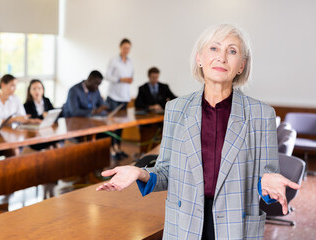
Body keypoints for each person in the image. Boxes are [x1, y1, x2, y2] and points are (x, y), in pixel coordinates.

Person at [97, 24, 300, 239]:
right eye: (214, 48)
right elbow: (167, 171)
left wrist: (267, 185)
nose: (221, 57)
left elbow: (267, 177)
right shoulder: (176, 109)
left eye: (232, 51)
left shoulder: (261, 114)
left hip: (237, 225)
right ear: (199, 58)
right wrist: (140, 172)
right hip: (185, 222)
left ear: (241, 65)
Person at [105, 38, 133, 159]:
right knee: (113, 125)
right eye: (124, 48)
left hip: (124, 97)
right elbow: (107, 76)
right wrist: (120, 79)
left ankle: (118, 147)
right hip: (114, 96)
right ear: (120, 47)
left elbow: (131, 76)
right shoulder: (114, 60)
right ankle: (111, 148)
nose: (126, 50)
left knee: (121, 125)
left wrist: (128, 80)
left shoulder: (130, 62)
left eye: (128, 48)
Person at [24, 79, 60, 151]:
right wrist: (42, 116)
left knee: (57, 144)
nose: (37, 91)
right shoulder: (27, 105)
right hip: (35, 135)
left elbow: (54, 114)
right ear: (30, 91)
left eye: (39, 88)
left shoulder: (47, 100)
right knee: (51, 146)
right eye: (34, 89)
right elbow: (31, 120)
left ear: (43, 90)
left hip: (48, 131)